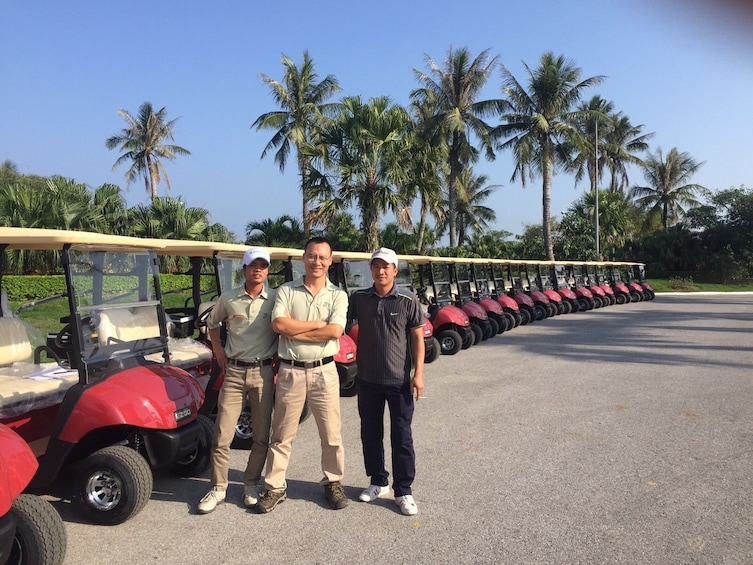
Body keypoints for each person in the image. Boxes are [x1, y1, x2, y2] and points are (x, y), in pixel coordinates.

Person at [254, 236, 349, 513]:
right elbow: (278, 325)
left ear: (330, 261)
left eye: (322, 257)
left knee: (331, 434)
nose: (316, 261)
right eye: (312, 255)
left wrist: (297, 331)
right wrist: (317, 326)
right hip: (290, 371)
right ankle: (275, 487)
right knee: (282, 434)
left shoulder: (338, 295)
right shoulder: (286, 290)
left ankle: (332, 482)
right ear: (303, 258)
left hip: (325, 371)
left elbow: (335, 332)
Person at [197, 247, 278, 514]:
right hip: (233, 372)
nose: (258, 270)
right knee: (222, 434)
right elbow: (212, 324)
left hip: (263, 373)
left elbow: (283, 329)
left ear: (267, 270)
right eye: (253, 265)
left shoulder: (275, 299)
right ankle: (219, 488)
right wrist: (218, 350)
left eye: (263, 266)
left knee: (261, 435)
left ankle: (250, 484)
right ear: (244, 269)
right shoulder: (229, 297)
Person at [347, 247, 425, 516]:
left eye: (386, 266)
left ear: (395, 270)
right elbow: (340, 324)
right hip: (367, 380)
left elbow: (417, 338)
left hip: (399, 381)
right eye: (376, 266)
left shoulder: (406, 299)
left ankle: (403, 490)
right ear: (371, 269)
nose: (381, 271)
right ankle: (378, 482)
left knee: (401, 436)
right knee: (370, 434)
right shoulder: (359, 299)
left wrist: (419, 375)